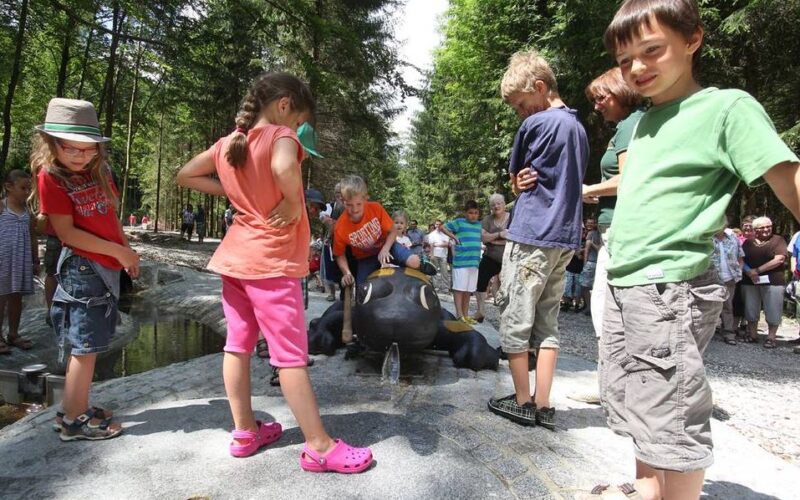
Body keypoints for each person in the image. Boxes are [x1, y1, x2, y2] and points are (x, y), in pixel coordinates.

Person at [588, 1, 800, 498]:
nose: (636, 68)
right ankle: (648, 490)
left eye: (652, 50)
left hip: (671, 286)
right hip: (626, 279)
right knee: (636, 401)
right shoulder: (641, 122)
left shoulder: (726, 108)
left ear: (693, 40)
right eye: (624, 60)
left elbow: (788, 179)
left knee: (672, 413)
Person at [177, 72, 372, 471]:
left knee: (237, 345)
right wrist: (292, 199)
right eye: (299, 118)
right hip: (271, 264)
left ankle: (245, 432)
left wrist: (234, 192)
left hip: (236, 261)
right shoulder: (282, 138)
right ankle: (319, 446)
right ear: (284, 105)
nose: (298, 128)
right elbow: (284, 163)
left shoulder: (231, 143)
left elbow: (186, 175)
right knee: (290, 357)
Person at [487, 50, 588, 430]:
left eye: (520, 104)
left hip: (532, 234)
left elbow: (517, 179)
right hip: (564, 238)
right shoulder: (578, 128)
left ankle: (522, 400)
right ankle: (544, 403)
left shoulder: (536, 125)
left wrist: (516, 182)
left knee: (515, 316)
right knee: (548, 322)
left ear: (540, 88)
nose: (519, 113)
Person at [33, 97, 140, 440]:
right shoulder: (51, 178)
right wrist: (116, 253)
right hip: (82, 268)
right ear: (52, 145)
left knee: (91, 343)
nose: (80, 156)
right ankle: (73, 421)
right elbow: (67, 233)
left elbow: (110, 217)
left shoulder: (102, 171)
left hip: (107, 263)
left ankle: (72, 406)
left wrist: (126, 250)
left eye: (88, 149)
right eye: (71, 149)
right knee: (85, 346)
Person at [333, 175, 436, 287]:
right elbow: (339, 254)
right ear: (343, 201)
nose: (355, 209)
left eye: (359, 204)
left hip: (388, 246)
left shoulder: (375, 208)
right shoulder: (340, 226)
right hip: (365, 258)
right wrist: (346, 272)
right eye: (349, 205)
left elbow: (392, 231)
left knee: (414, 262)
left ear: (365, 198)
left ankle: (422, 265)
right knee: (362, 289)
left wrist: (385, 249)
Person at [0, 170, 39, 354]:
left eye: (28, 188)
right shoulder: (2, 207)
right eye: (23, 188)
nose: (26, 192)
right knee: (1, 298)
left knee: (17, 297)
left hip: (21, 260)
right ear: (8, 187)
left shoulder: (28, 212)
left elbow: (33, 237)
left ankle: (13, 334)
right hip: (3, 260)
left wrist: (35, 260)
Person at [741, 216, 786, 348]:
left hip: (773, 281)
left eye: (769, 226)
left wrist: (757, 270)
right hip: (750, 281)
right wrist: (749, 272)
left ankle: (771, 337)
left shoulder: (778, 240)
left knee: (773, 309)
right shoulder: (747, 243)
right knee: (750, 308)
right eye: (762, 227)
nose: (766, 229)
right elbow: (740, 258)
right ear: (755, 229)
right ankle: (752, 334)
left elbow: (779, 259)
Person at [439, 200, 482, 323]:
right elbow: (442, 227)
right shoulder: (459, 223)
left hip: (474, 262)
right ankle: (459, 315)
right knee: (459, 289)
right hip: (461, 261)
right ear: (465, 213)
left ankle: (466, 315)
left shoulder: (479, 225)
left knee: (468, 290)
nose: (473, 215)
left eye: (475, 213)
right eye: (470, 213)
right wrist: (454, 237)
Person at [475, 194, 509, 323]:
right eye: (493, 204)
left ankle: (505, 315)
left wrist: (493, 239)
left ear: (504, 204)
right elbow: (483, 238)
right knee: (480, 282)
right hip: (491, 257)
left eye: (499, 203)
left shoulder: (512, 218)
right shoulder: (487, 220)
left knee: (506, 287)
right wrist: (500, 234)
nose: (496, 206)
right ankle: (480, 311)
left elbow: (513, 238)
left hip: (508, 259)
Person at [712, 221, 744, 345]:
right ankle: (706, 332)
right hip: (712, 278)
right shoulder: (707, 239)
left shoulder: (733, 238)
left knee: (728, 306)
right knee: (710, 306)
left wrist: (739, 271)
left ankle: (729, 333)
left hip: (729, 278)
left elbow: (740, 257)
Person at [578, 217, 602, 316]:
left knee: (585, 286)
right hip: (598, 263)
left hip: (591, 263)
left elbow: (587, 250)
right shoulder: (600, 234)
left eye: (592, 223)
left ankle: (589, 308)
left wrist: (585, 263)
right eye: (588, 223)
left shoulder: (591, 234)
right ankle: (589, 306)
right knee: (592, 286)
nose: (590, 225)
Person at [426, 220, 451, 292]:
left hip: (443, 255)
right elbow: (431, 245)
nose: (438, 226)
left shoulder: (445, 234)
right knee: (434, 272)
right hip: (435, 254)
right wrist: (432, 254)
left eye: (439, 224)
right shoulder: (432, 234)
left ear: (442, 225)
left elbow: (446, 244)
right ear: (435, 225)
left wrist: (436, 244)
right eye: (436, 224)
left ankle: (445, 287)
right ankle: (435, 286)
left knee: (444, 272)